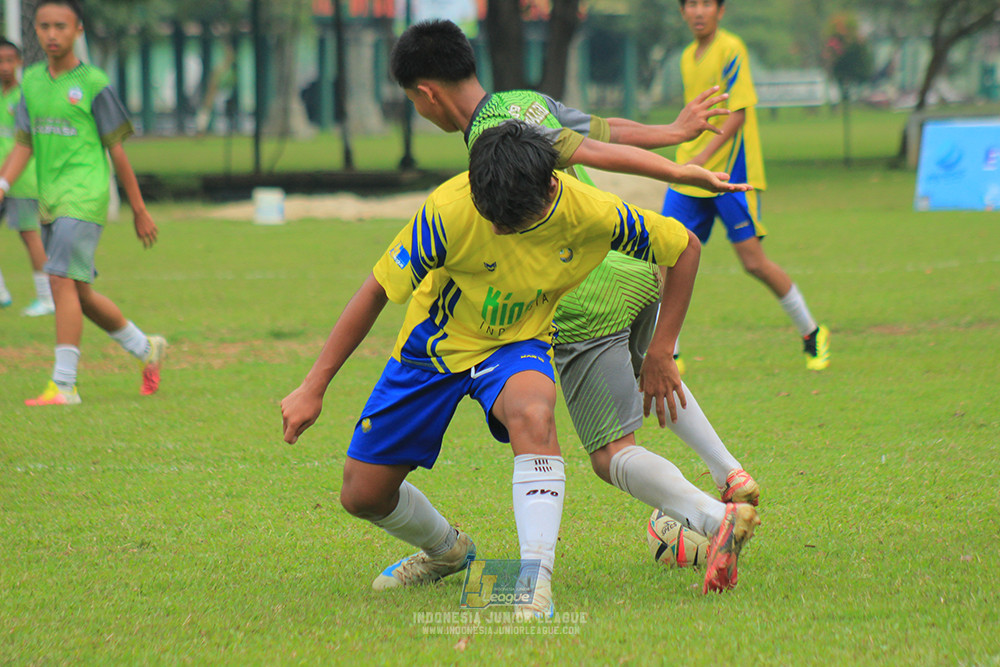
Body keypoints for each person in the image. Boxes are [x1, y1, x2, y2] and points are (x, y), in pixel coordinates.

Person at [282, 123, 751, 621]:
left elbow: (684, 249)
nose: (500, 229)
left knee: (534, 412)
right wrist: (314, 386)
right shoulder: (447, 210)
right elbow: (376, 289)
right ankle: (448, 551)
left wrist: (661, 351)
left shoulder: (591, 213)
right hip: (431, 350)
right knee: (362, 494)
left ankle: (534, 586)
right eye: (493, 218)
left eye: (513, 221)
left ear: (552, 186)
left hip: (515, 344)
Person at [390, 18, 761, 593]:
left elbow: (591, 148)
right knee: (652, 372)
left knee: (611, 453)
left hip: (584, 299)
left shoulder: (494, 133)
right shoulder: (521, 101)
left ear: (426, 94)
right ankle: (729, 473)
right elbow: (606, 129)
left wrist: (677, 169)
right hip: (633, 268)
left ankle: (714, 520)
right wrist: (670, 133)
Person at [0, 0, 166, 405]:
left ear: (78, 30)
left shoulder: (93, 83)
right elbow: (24, 142)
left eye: (60, 26)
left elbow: (118, 150)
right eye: (44, 26)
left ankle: (65, 384)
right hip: (48, 197)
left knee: (58, 281)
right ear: (35, 31)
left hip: (85, 194)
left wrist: (138, 208)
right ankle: (145, 348)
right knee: (78, 290)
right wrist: (3, 182)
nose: (51, 34)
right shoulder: (33, 82)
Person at [662, 0, 830, 371]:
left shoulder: (731, 48)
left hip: (729, 174)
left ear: (721, 11)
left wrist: (700, 161)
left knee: (753, 262)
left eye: (706, 3)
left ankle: (811, 332)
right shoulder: (687, 56)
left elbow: (737, 116)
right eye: (691, 4)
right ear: (682, 11)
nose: (698, 11)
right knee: (662, 255)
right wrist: (688, 164)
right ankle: (668, 352)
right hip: (689, 171)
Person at [0, 38, 53, 317]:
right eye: (0, 61)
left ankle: (46, 298)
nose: (5, 67)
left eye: (10, 60)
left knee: (29, 235)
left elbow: (25, 143)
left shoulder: (23, 98)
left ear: (19, 62)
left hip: (21, 180)